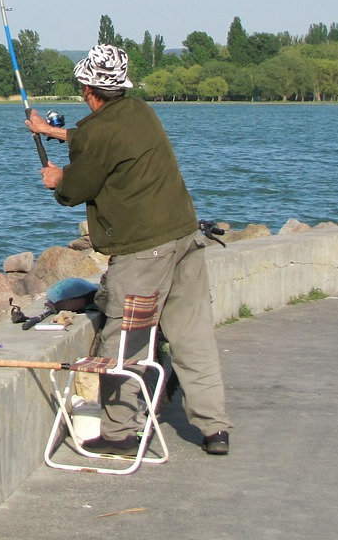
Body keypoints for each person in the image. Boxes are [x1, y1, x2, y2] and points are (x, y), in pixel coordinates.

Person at [26, 43, 231, 456]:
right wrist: (51, 132)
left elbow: (75, 188)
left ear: (87, 88)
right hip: (185, 237)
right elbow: (98, 139)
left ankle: (121, 434)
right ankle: (215, 429)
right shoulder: (140, 111)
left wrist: (55, 179)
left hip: (144, 252)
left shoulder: (101, 131)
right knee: (192, 338)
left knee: (124, 340)